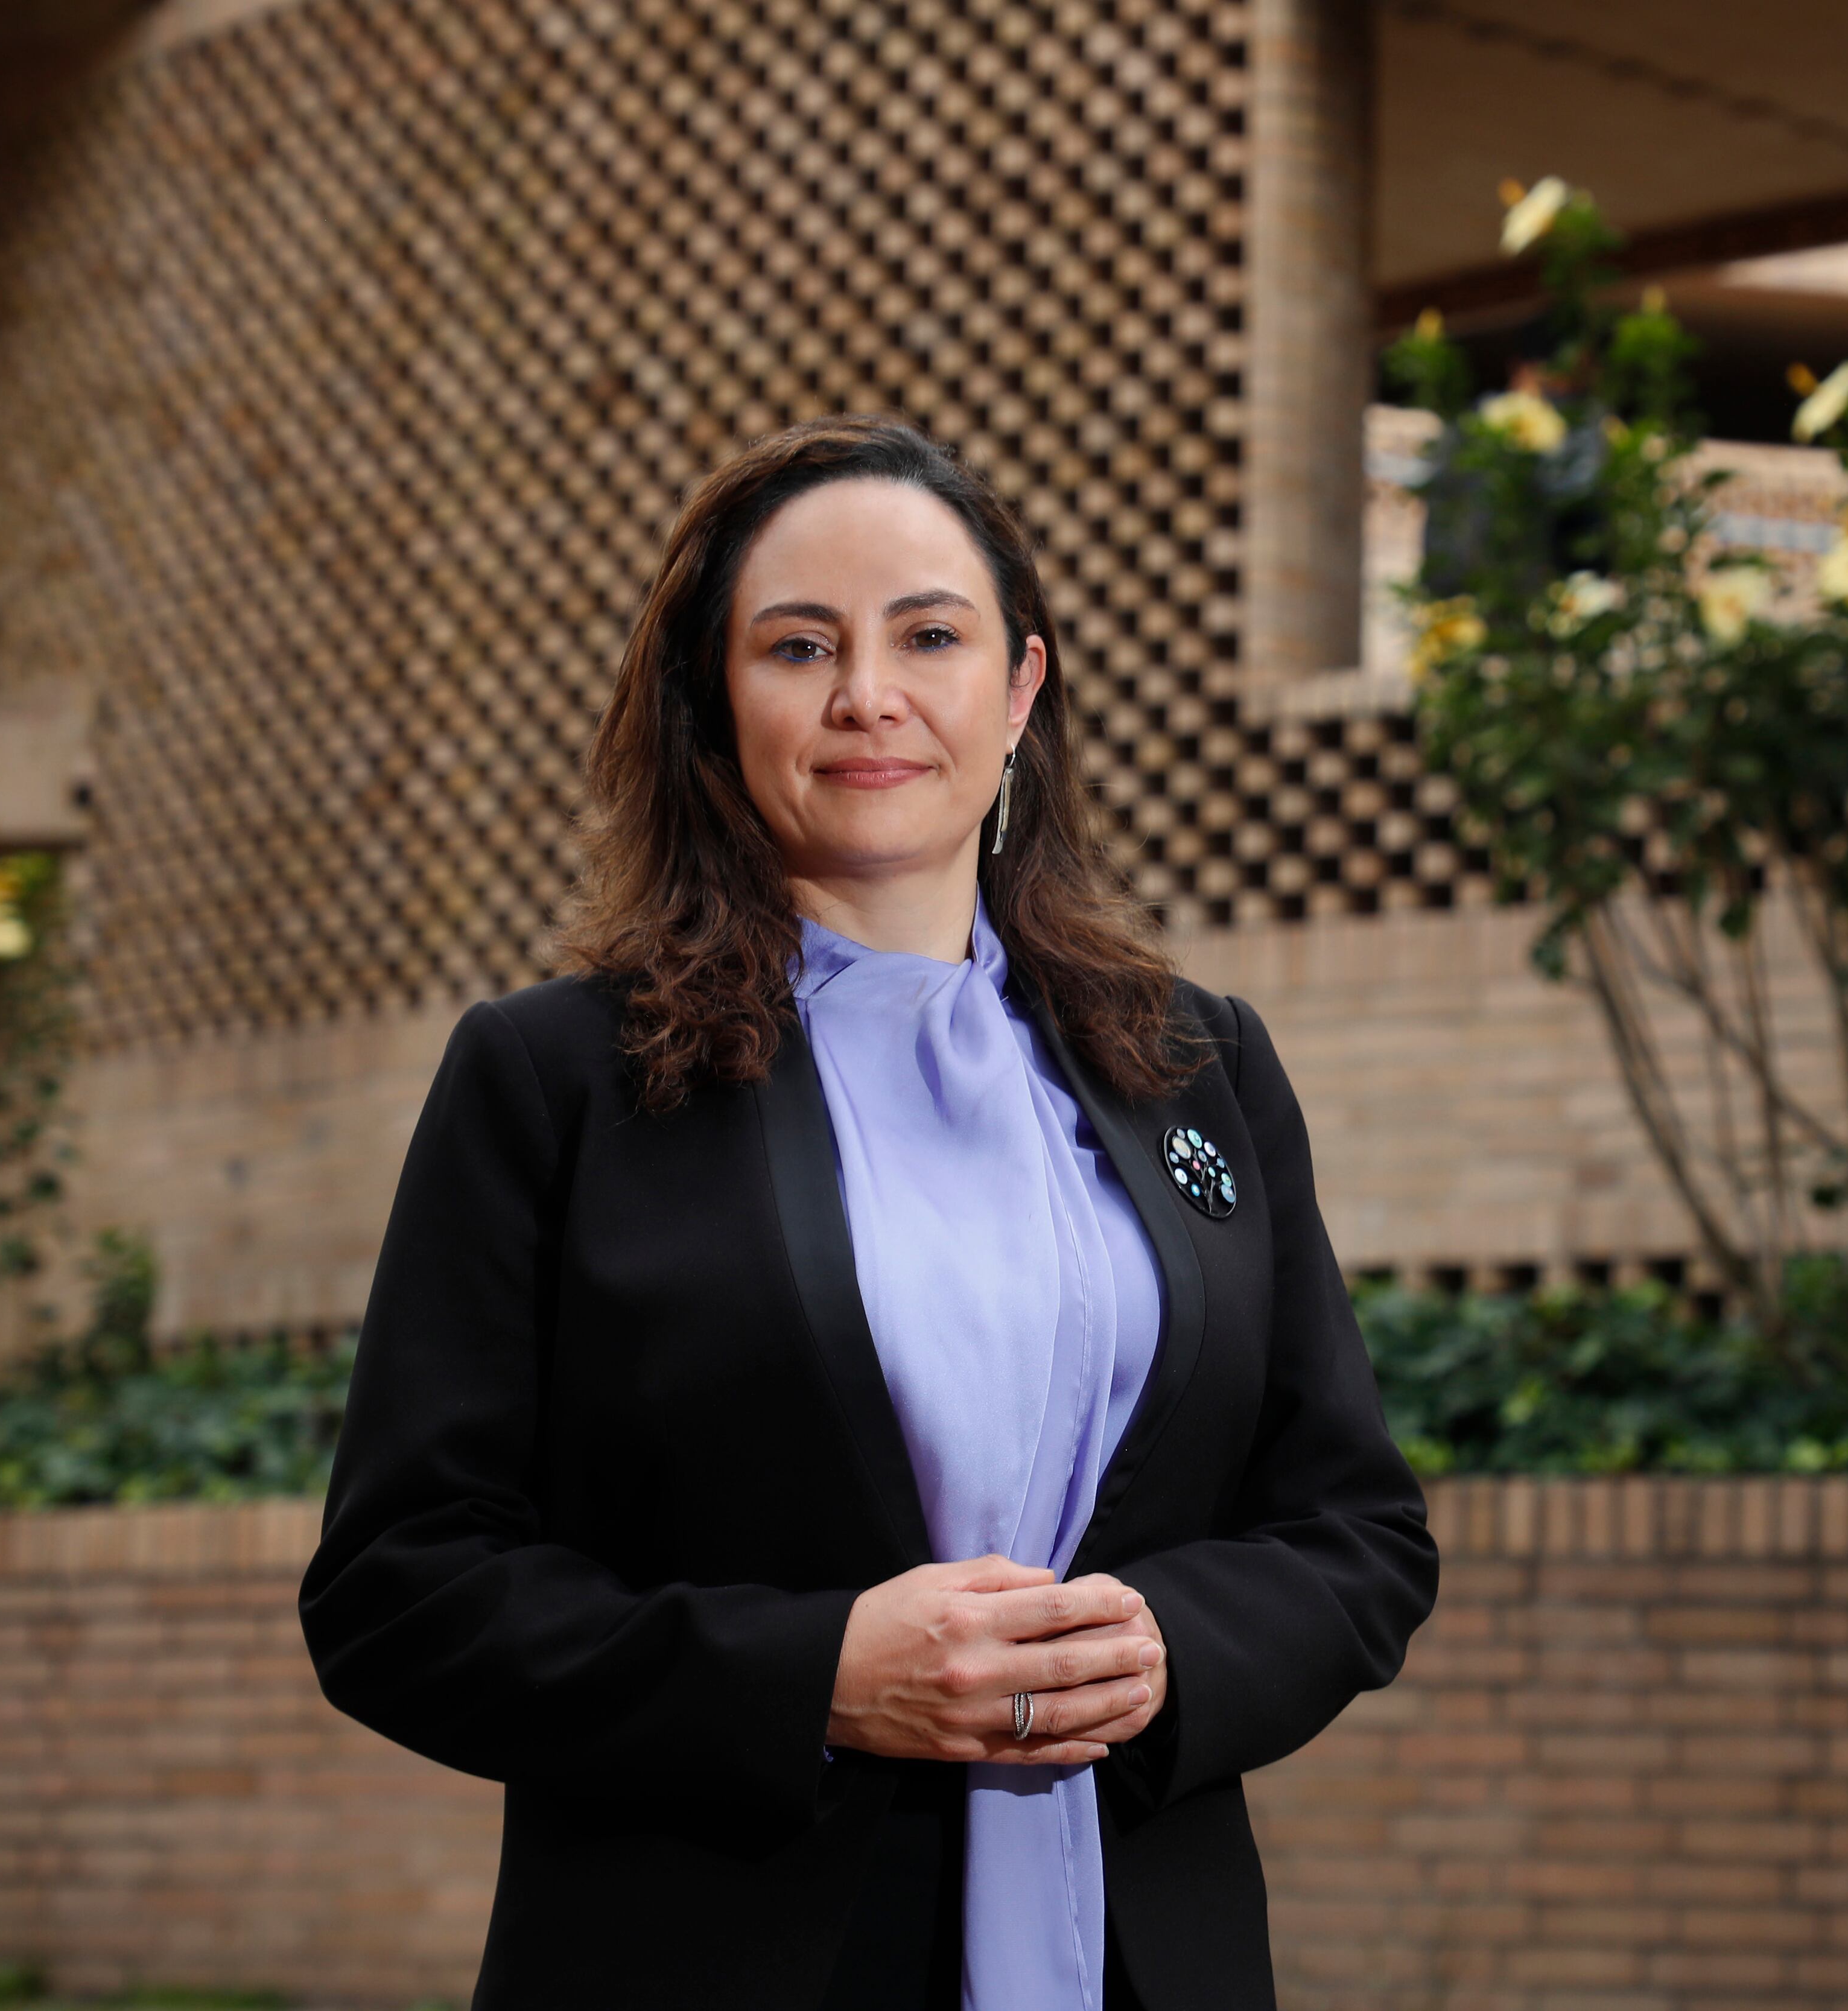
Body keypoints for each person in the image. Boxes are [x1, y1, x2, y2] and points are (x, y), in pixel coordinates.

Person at [299, 413, 1438, 2009]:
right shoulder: (556, 1082)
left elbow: (1357, 1533)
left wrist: (1174, 1650)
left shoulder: (1197, 1067)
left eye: (930, 636)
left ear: (1021, 690)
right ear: (713, 700)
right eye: (797, 646)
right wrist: (813, 1679)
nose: (868, 698)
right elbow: (398, 1594)